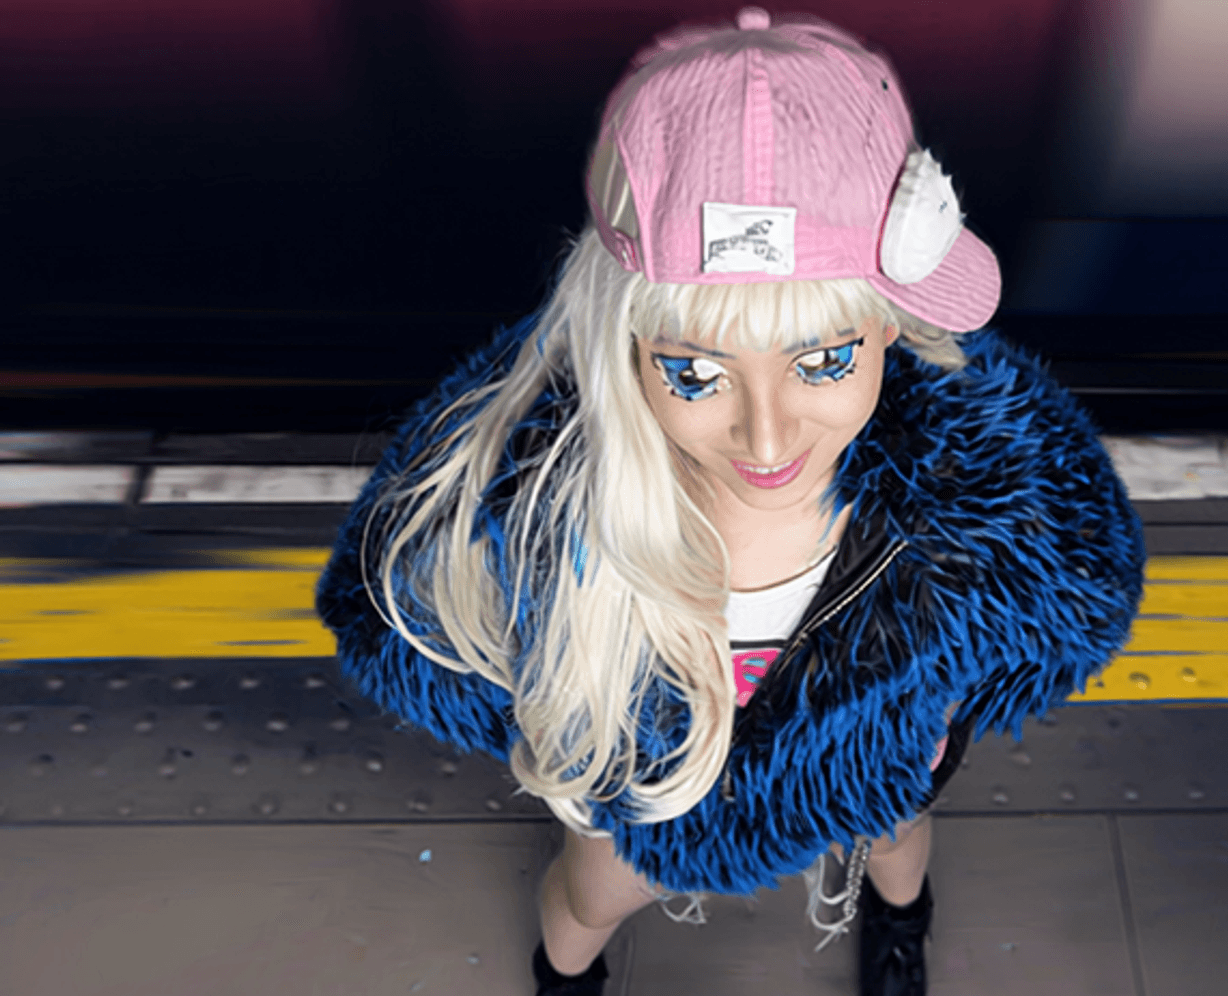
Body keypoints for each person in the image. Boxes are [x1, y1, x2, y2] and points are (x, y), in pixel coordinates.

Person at [317, 8, 1146, 995]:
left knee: (893, 838)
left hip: (873, 762)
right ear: (627, 345)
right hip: (635, 799)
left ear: (891, 326)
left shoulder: (979, 516)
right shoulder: (525, 522)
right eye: (696, 373)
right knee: (586, 901)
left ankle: (898, 924)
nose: (765, 438)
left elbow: (1021, 615)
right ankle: (566, 980)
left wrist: (935, 710)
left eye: (824, 360)